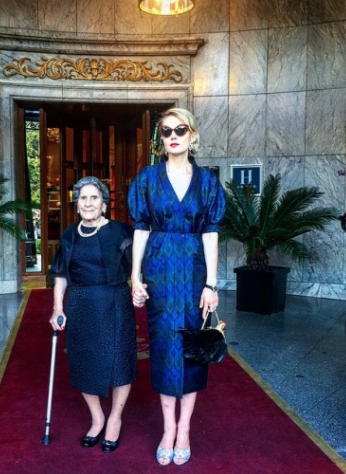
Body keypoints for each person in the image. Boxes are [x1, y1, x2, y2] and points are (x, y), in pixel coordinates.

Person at [128, 107, 226, 466]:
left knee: (192, 349)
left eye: (180, 129)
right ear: (161, 138)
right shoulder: (147, 179)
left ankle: (184, 429)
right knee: (165, 349)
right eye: (166, 130)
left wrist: (211, 284)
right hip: (159, 270)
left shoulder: (208, 183)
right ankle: (168, 428)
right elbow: (141, 229)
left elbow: (211, 234)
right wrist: (135, 276)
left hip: (195, 272)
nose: (173, 136)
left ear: (192, 135)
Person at [49, 176, 137, 453]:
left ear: (104, 203)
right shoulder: (69, 234)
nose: (88, 203)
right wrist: (58, 308)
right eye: (83, 198)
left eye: (94, 197)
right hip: (80, 304)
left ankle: (115, 419)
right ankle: (97, 418)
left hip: (115, 303)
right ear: (77, 205)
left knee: (119, 361)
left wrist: (139, 288)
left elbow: (137, 268)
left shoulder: (121, 231)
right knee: (84, 362)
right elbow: (60, 274)